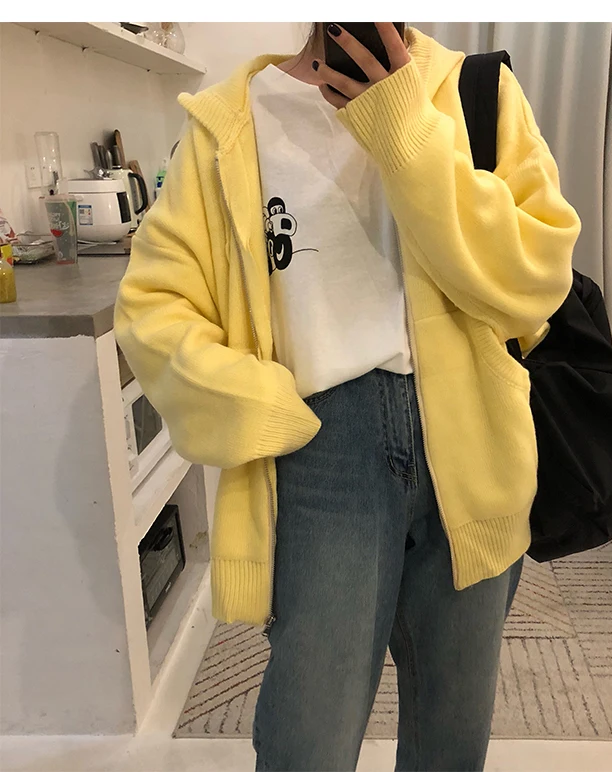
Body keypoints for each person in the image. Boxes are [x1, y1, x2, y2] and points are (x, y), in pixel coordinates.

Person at [115, 22, 580, 772]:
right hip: (321, 447)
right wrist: (257, 403)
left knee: (451, 738)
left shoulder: (476, 90)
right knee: (309, 741)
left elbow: (537, 280)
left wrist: (404, 129)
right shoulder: (232, 118)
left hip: (472, 440)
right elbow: (154, 304)